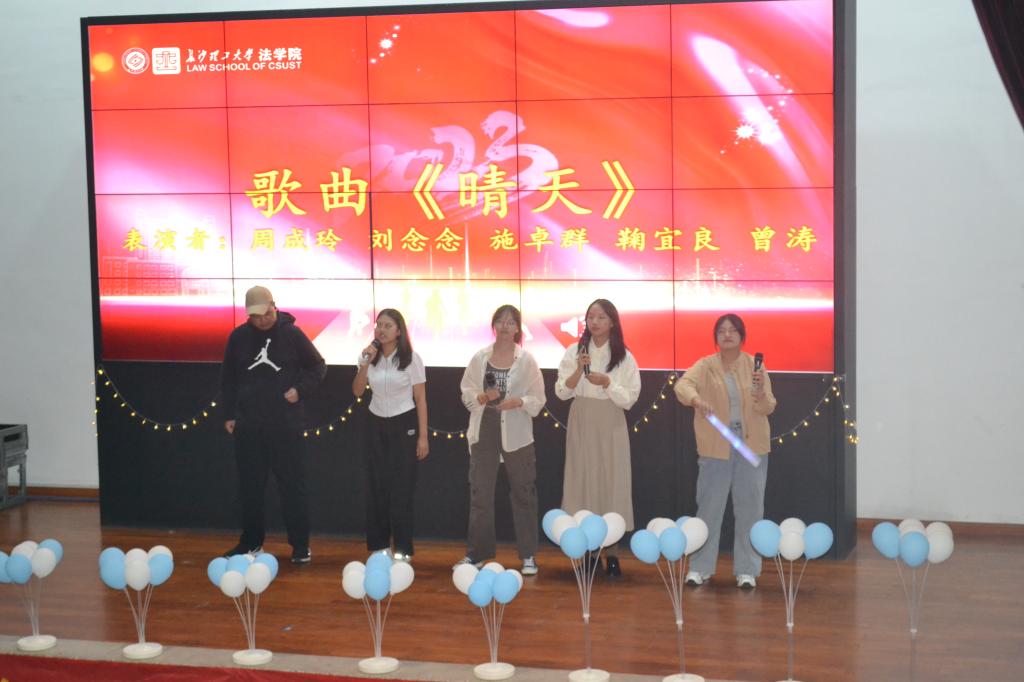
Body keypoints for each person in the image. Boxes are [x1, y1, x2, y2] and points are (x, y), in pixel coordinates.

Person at [221, 285, 326, 564]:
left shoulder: (292, 334)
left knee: (293, 486)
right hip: (249, 426)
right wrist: (229, 414)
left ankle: (300, 545)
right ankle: (251, 543)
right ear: (248, 315)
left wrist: (300, 390)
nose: (263, 320)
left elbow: (317, 366)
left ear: (274, 306)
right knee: (250, 488)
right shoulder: (238, 337)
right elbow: (228, 378)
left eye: (266, 314)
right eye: (256, 317)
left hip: (286, 425)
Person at [674, 313, 776, 589]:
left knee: (750, 508)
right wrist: (696, 400)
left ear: (742, 336)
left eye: (732, 330)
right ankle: (700, 568)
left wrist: (759, 393)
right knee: (709, 507)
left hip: (750, 445)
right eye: (722, 331)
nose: (727, 335)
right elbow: (682, 386)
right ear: (716, 337)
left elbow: (769, 406)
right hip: (716, 444)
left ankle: (747, 570)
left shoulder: (755, 366)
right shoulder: (706, 365)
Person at [456, 305, 546, 576]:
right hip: (484, 427)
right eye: (500, 321)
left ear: (518, 328)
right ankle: (477, 554)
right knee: (480, 493)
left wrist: (518, 402)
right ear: (493, 326)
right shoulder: (480, 357)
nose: (505, 326)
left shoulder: (526, 360)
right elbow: (466, 393)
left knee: (523, 492)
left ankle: (528, 555)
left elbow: (538, 399)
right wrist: (483, 397)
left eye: (511, 322)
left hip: (517, 431)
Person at [555, 299, 641, 577]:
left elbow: (630, 398)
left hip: (610, 420)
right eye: (591, 316)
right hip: (582, 420)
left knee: (610, 482)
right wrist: (578, 370)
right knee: (584, 482)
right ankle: (589, 553)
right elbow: (561, 392)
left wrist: (607, 383)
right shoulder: (574, 352)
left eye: (601, 317)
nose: (594, 322)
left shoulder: (624, 357)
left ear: (612, 322)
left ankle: (612, 553)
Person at [352, 309, 429, 563]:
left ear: (399, 331)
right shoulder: (369, 356)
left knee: (402, 488)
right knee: (376, 485)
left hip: (403, 423)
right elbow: (357, 391)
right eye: (378, 325)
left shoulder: (411, 359)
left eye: (387, 326)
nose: (381, 330)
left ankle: (403, 548)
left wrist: (423, 437)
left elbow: (420, 399)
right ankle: (379, 545)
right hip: (375, 422)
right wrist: (365, 363)